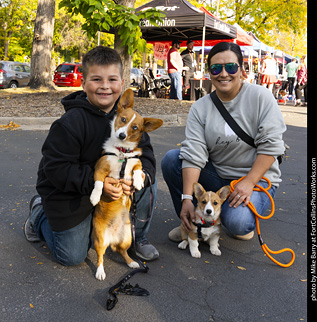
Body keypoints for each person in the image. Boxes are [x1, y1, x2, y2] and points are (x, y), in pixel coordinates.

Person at [24, 46, 159, 266]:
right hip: (70, 193)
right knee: (73, 256)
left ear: (121, 84)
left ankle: (137, 237)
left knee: (145, 179)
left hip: (109, 191)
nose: (105, 86)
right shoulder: (69, 124)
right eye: (96, 79)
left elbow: (147, 157)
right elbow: (56, 169)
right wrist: (97, 182)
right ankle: (39, 215)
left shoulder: (130, 119)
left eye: (112, 80)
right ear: (83, 83)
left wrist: (139, 176)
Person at [161, 42, 286, 242]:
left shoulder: (261, 97)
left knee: (237, 223)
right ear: (210, 73)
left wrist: (249, 182)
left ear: (242, 70)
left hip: (256, 180)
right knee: (172, 160)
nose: (223, 74)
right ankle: (191, 225)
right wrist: (186, 199)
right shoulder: (200, 108)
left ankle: (235, 218)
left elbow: (271, 146)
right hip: (219, 176)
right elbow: (194, 154)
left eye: (231, 67)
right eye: (216, 68)